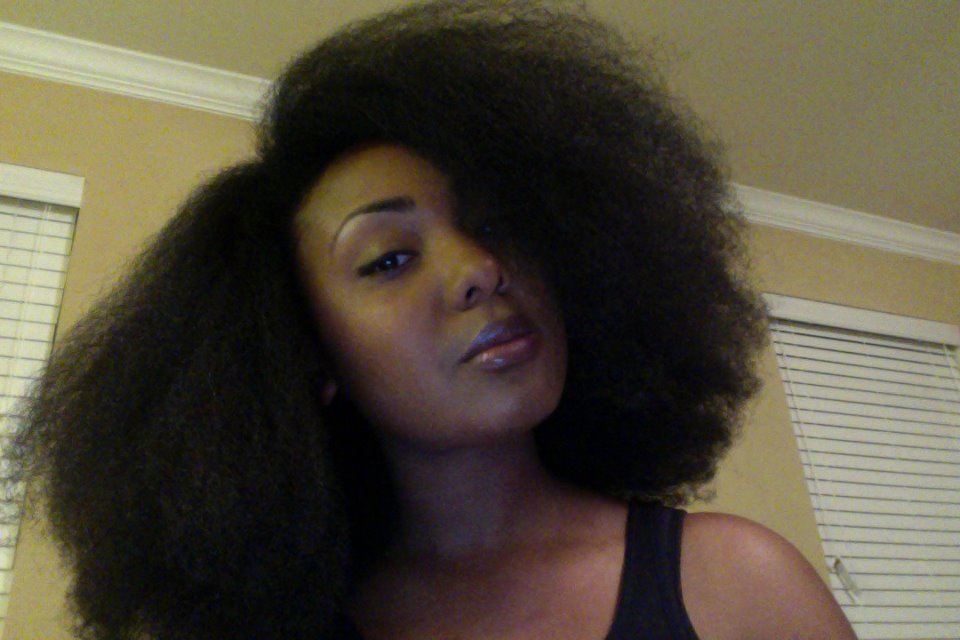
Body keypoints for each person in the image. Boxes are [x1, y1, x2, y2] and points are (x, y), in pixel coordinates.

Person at [13, 1, 857, 638]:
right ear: (310, 355)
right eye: (387, 259)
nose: (480, 268)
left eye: (493, 223)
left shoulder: (734, 584)